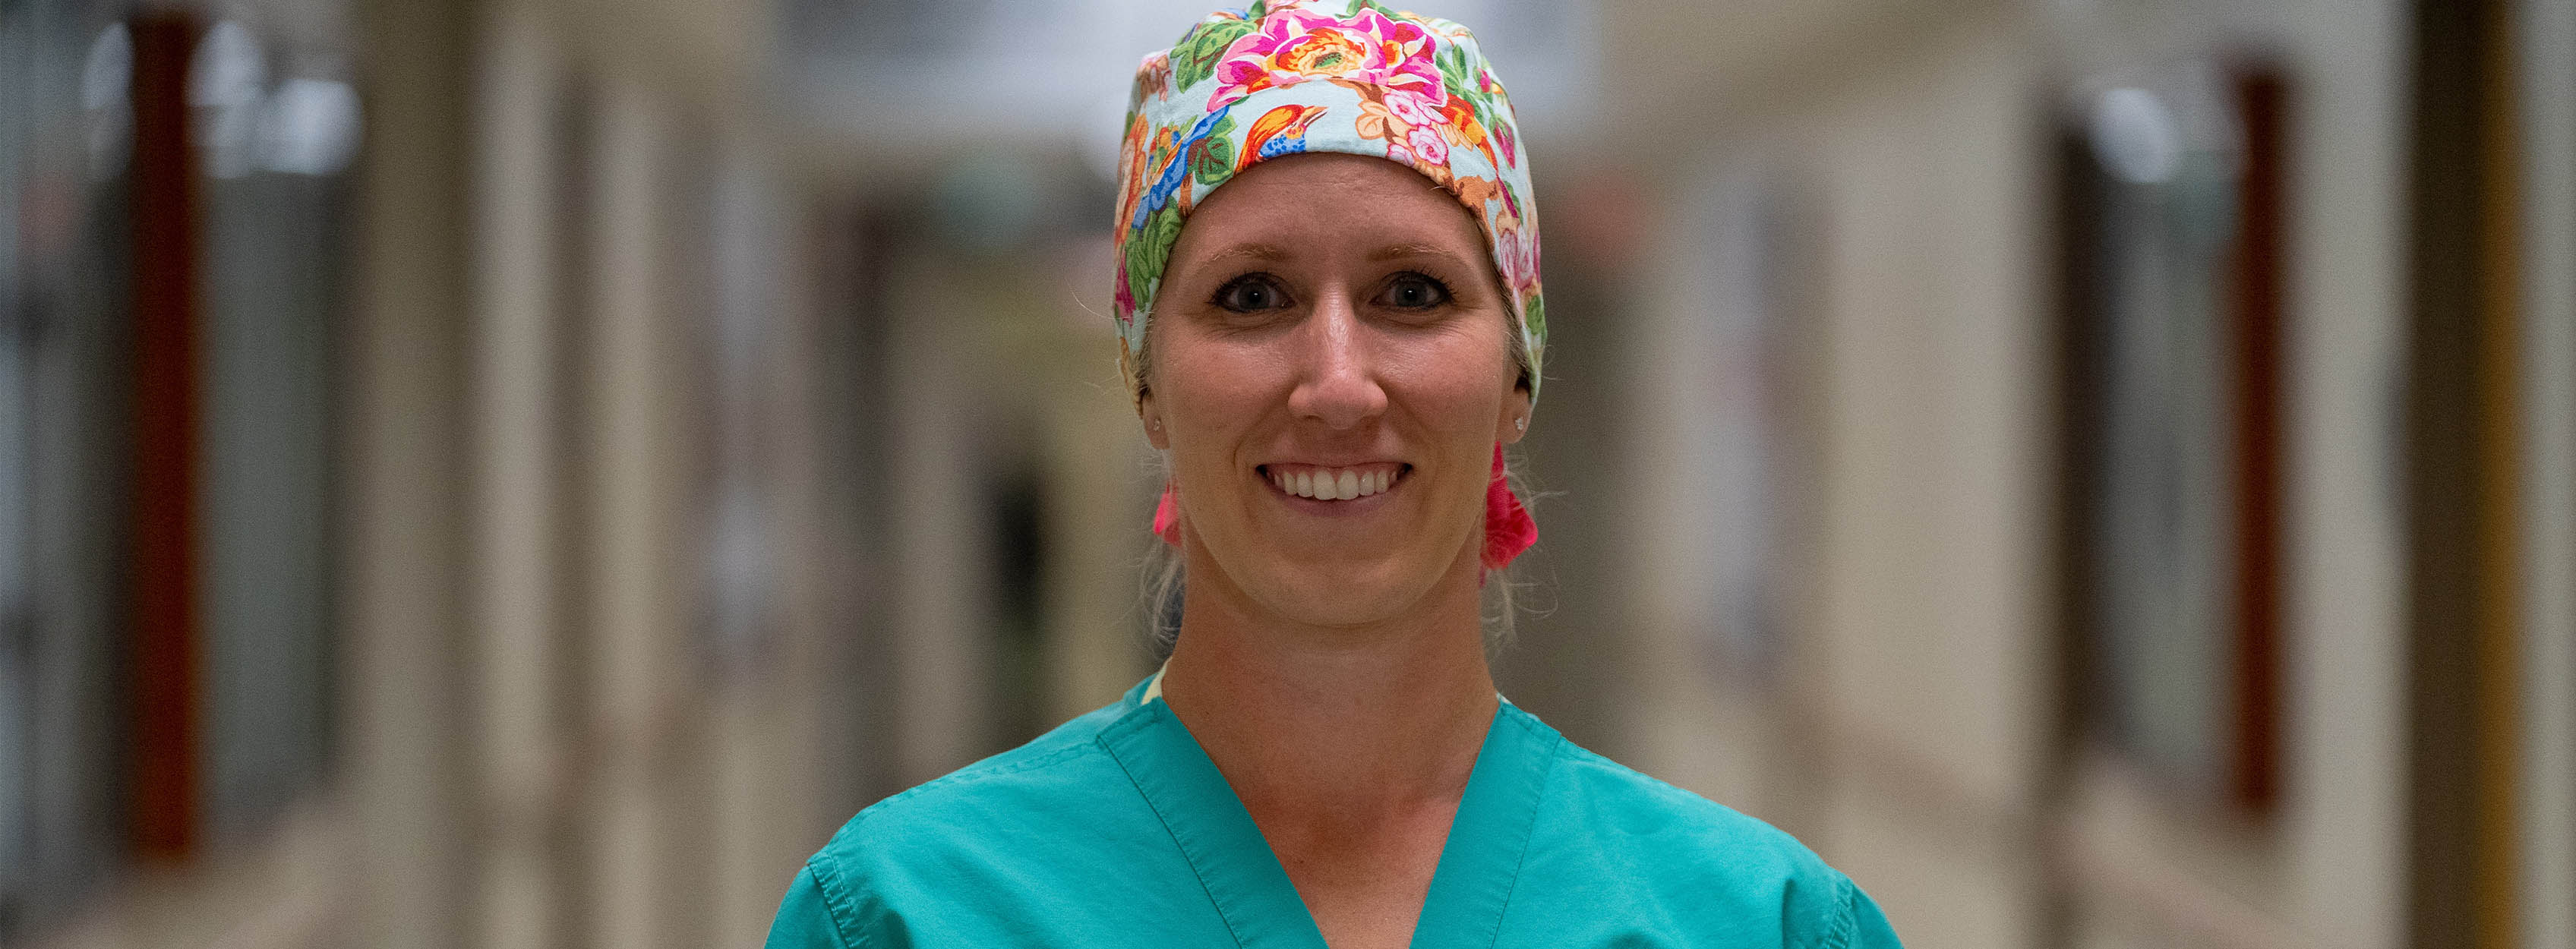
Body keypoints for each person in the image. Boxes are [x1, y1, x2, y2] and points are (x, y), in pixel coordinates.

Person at [764, 2, 1905, 946]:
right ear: (1146, 380)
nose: (1338, 384)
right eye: (1251, 296)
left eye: (1412, 293)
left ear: (1519, 373)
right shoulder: (912, 915)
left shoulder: (1757, 922)